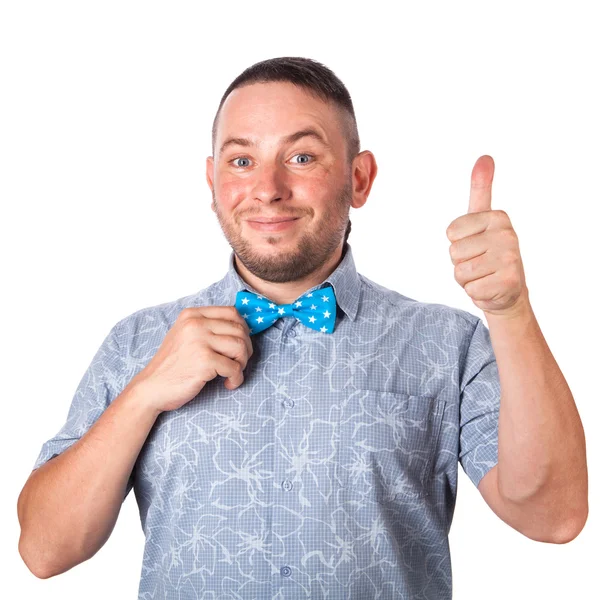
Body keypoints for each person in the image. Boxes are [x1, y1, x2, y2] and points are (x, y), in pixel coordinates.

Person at [17, 56, 588, 599]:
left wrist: (509, 310)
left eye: (302, 158)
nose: (268, 188)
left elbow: (554, 514)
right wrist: (144, 395)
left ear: (359, 179)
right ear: (213, 181)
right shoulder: (138, 343)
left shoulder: (449, 345)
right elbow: (45, 550)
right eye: (242, 161)